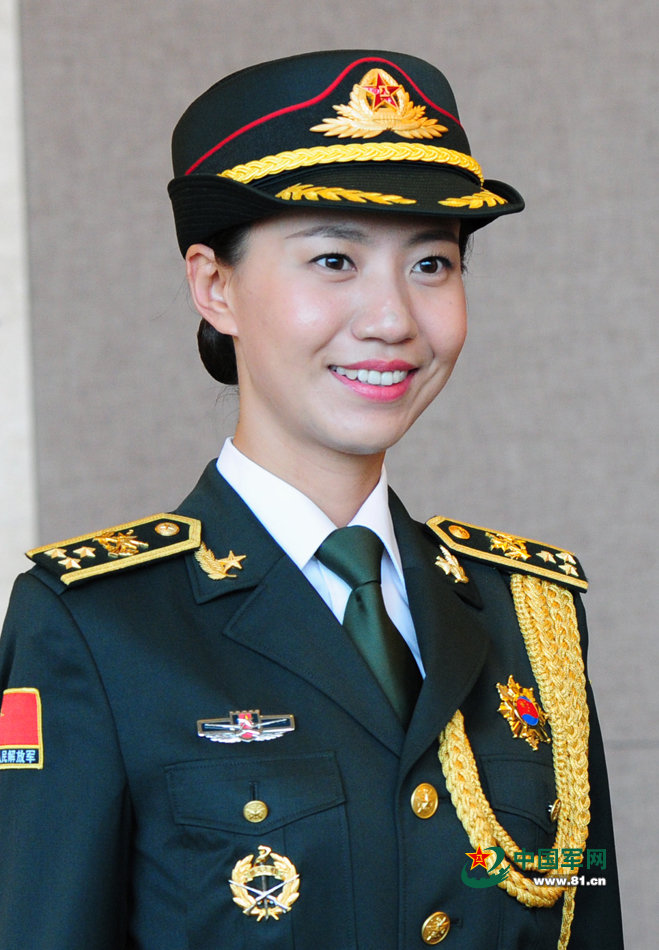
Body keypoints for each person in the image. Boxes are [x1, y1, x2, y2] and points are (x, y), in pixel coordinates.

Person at [0, 50, 623, 949]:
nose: (392, 318)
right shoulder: (96, 628)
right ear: (215, 287)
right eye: (334, 259)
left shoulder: (533, 617)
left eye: (432, 266)